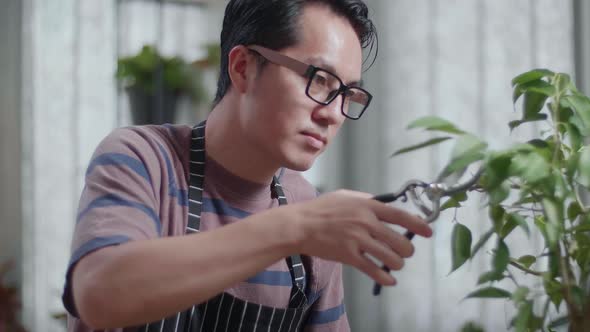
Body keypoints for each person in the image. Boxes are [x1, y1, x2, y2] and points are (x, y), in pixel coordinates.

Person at [62, 0, 433, 331]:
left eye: (347, 95)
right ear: (242, 68)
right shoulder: (144, 158)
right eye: (319, 80)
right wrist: (296, 228)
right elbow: (99, 295)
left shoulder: (308, 210)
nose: (334, 113)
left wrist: (303, 226)